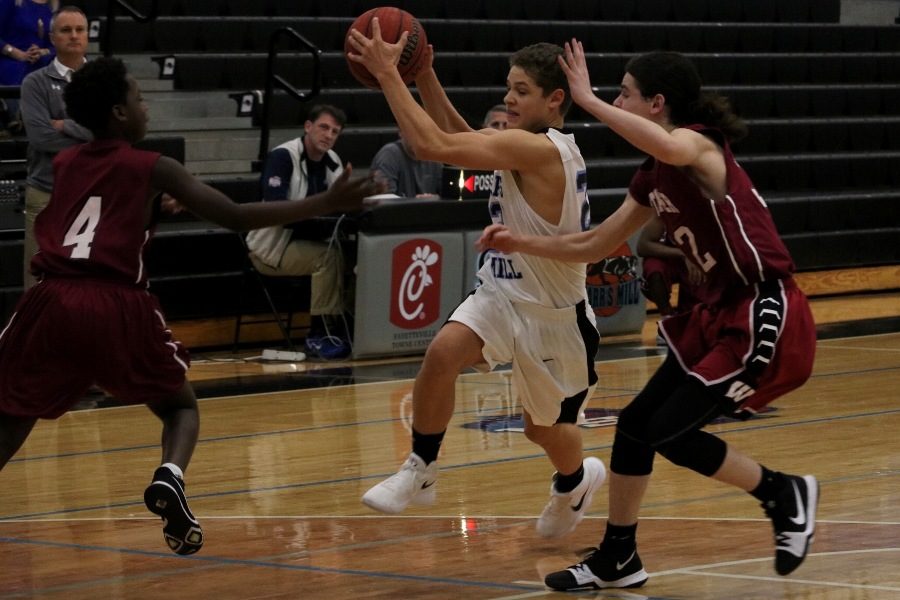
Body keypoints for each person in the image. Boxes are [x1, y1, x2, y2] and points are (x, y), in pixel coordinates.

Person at [0, 57, 381, 556]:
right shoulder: (155, 166)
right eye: (138, 99)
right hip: (116, 302)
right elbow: (236, 215)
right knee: (179, 406)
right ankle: (170, 476)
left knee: (11, 413)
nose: (146, 106)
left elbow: (94, 212)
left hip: (51, 300)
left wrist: (152, 201)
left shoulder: (67, 162)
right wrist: (321, 204)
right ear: (118, 112)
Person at [479, 43, 818, 590]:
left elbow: (665, 141)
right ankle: (619, 557)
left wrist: (585, 99)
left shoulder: (698, 145)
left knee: (670, 433)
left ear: (657, 103)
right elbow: (594, 243)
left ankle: (783, 492)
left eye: (625, 94)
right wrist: (522, 241)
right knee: (636, 428)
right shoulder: (654, 173)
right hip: (715, 313)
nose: (615, 100)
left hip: (762, 309)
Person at [348, 25, 605, 538]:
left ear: (556, 100)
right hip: (502, 293)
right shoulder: (520, 142)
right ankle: (421, 468)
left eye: (522, 91)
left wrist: (386, 74)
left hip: (556, 316)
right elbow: (458, 136)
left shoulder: (544, 151)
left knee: (544, 429)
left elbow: (429, 144)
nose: (509, 98)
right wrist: (422, 75)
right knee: (442, 355)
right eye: (508, 87)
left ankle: (575, 481)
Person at [246, 104, 355, 359]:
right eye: (323, 127)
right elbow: (277, 209)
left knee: (355, 256)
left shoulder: (332, 161)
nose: (328, 135)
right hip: (270, 248)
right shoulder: (283, 157)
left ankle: (345, 327)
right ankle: (319, 335)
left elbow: (340, 206)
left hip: (311, 239)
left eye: (335, 132)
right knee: (327, 258)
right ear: (308, 127)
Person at [19, 4, 90, 289]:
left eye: (80, 30)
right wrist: (90, 133)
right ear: (52, 38)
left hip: (94, 191)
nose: (74, 35)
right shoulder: (34, 82)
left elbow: (118, 134)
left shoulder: (104, 79)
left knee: (87, 280)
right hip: (46, 192)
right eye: (66, 30)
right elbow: (41, 138)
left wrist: (64, 124)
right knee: (37, 281)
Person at [0, 0, 56, 131]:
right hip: (10, 59)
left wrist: (42, 52)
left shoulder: (52, 6)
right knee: (21, 71)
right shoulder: (10, 3)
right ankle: (17, 115)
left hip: (40, 60)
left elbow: (55, 44)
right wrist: (17, 53)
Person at [636, 213, 703, 317]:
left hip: (703, 260)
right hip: (676, 259)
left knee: (695, 317)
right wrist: (683, 254)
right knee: (654, 267)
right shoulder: (666, 206)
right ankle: (667, 316)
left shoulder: (710, 207)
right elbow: (643, 245)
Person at [369, 128, 442, 197]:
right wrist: (415, 202)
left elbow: (447, 194)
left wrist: (435, 199)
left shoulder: (434, 156)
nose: (418, 138)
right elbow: (385, 199)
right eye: (413, 132)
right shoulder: (389, 155)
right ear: (401, 132)